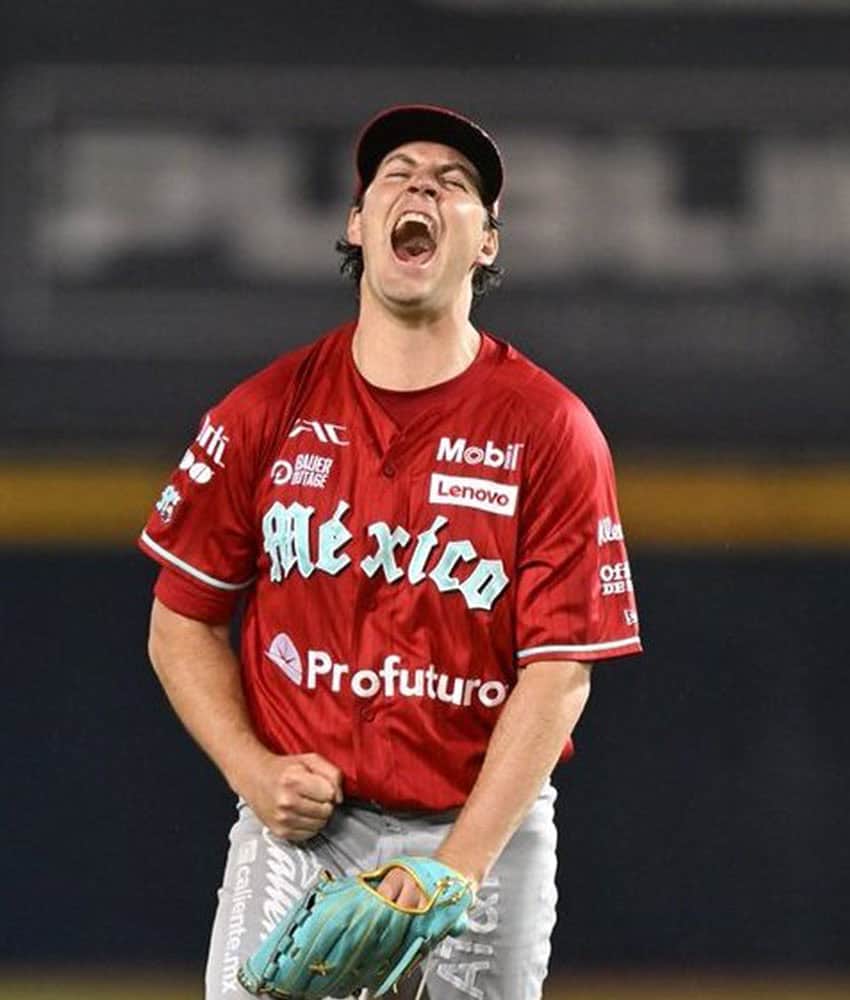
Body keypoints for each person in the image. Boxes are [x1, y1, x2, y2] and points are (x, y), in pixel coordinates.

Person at [139, 104, 641, 1000]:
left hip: (481, 828)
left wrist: (458, 864)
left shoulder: (551, 430)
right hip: (303, 833)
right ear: (358, 223)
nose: (424, 187)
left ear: (486, 242)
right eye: (397, 174)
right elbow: (180, 620)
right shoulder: (263, 411)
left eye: (454, 184)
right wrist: (253, 771)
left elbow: (561, 669)